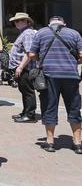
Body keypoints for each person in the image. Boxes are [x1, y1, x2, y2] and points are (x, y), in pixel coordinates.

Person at [29, 16, 82, 154]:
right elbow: (81, 55)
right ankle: (77, 143)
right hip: (71, 75)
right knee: (74, 107)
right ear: (64, 23)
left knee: (50, 106)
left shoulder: (41, 33)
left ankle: (50, 142)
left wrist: (42, 59)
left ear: (50, 23)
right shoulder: (74, 33)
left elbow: (32, 53)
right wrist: (73, 62)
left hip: (49, 75)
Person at [8, 13, 38, 123]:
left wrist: (20, 66)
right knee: (24, 90)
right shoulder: (24, 33)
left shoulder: (28, 33)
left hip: (26, 68)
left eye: (20, 20)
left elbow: (29, 52)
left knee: (27, 91)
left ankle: (30, 114)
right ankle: (26, 112)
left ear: (27, 21)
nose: (17, 23)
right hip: (23, 67)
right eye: (16, 21)